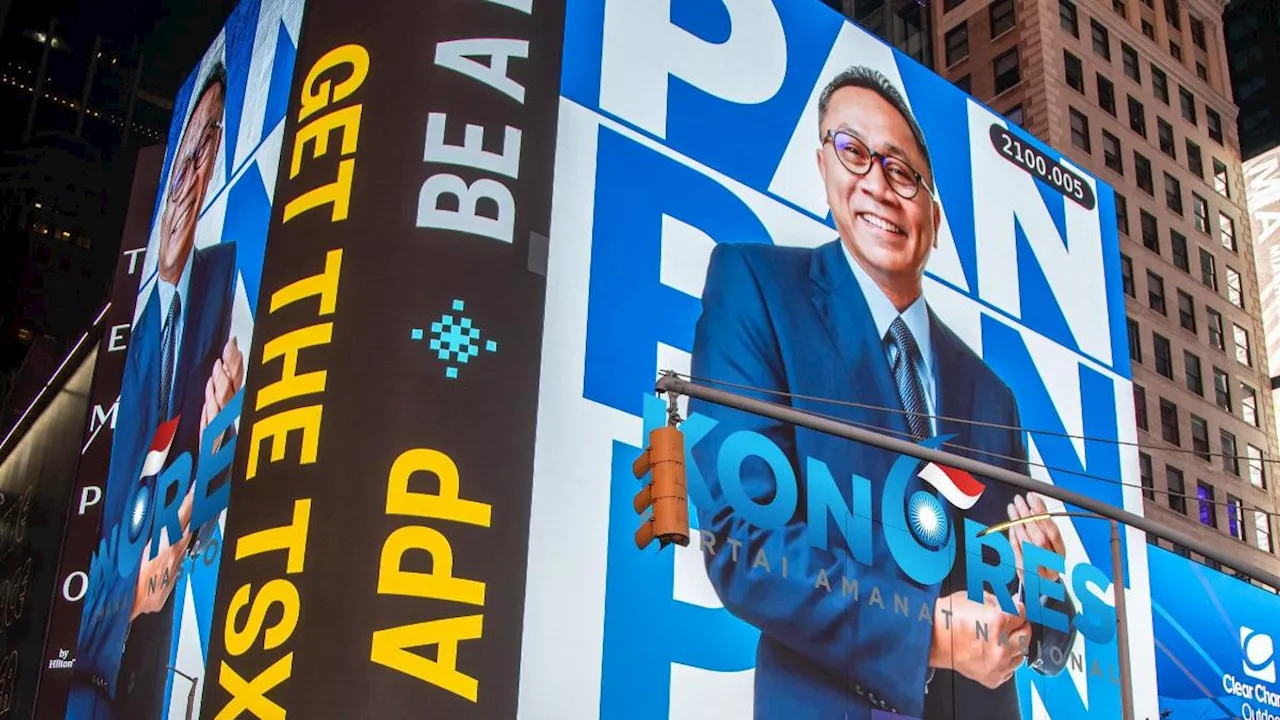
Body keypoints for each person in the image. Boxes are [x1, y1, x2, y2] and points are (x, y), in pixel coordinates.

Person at [688, 66, 1076, 720]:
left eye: (901, 172)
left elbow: (1051, 642)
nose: (876, 184)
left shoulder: (992, 395)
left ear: (935, 216)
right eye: (853, 152)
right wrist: (925, 634)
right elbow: (741, 541)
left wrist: (1038, 587)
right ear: (823, 166)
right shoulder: (755, 286)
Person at [68, 62, 244, 719]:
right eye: (187, 148)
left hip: (154, 661)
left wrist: (217, 447)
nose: (194, 168)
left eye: (210, 146)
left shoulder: (225, 278)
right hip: (118, 653)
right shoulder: (127, 342)